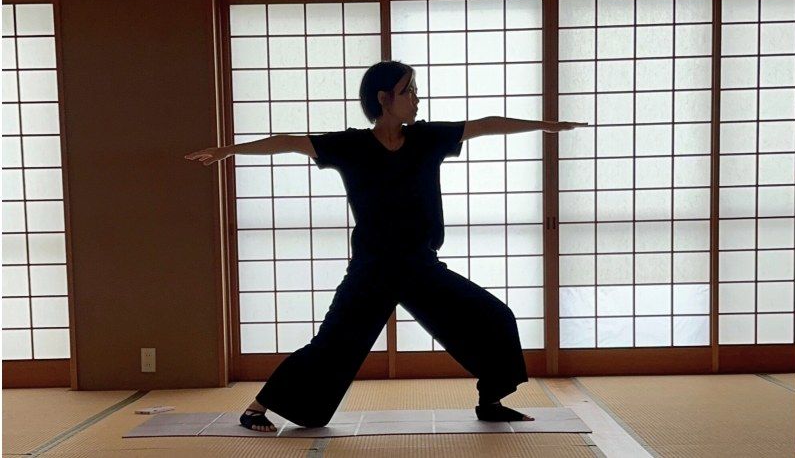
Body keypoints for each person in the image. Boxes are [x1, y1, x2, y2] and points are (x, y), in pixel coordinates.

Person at [185, 60, 587, 433]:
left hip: (419, 265)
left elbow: (484, 125)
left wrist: (543, 124)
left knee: (493, 317)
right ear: (383, 98)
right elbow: (287, 141)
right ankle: (256, 407)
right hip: (373, 269)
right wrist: (228, 151)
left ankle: (490, 401)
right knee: (334, 343)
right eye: (408, 90)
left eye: (415, 90)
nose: (416, 98)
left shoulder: (427, 138)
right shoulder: (351, 146)